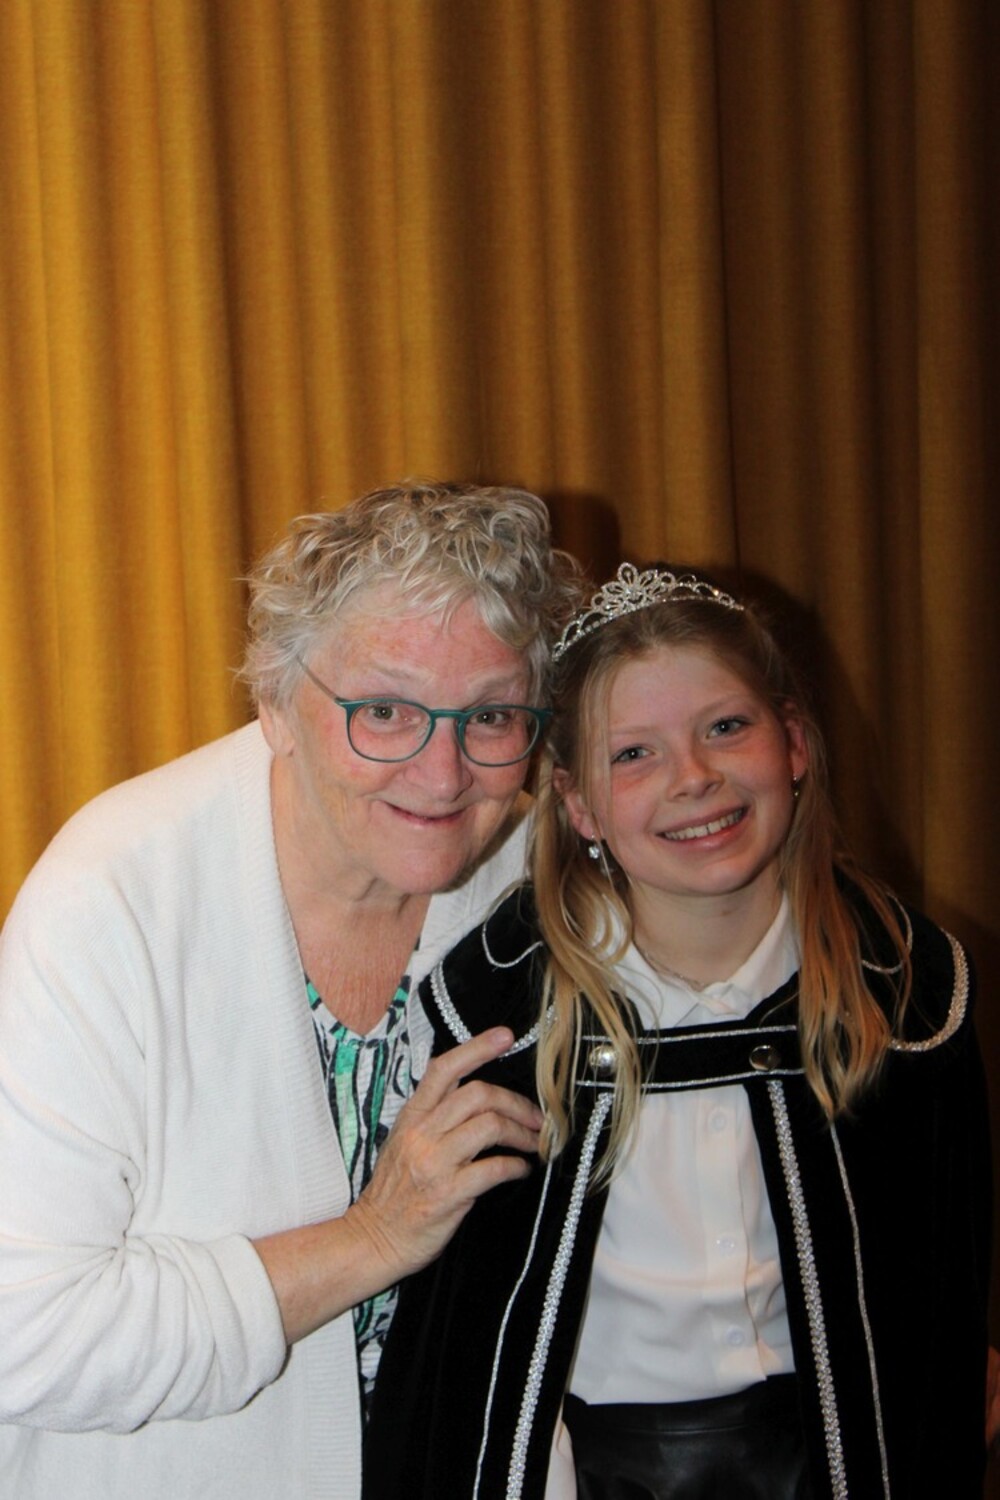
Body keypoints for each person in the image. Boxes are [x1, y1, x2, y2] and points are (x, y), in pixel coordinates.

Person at [0, 482, 583, 1498]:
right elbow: (27, 1334)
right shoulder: (114, 900)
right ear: (274, 703)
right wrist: (371, 1240)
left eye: (491, 715)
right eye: (384, 711)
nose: (442, 775)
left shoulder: (533, 877)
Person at [366, 562, 992, 1499]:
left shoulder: (904, 997)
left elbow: (934, 1303)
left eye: (726, 728)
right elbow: (468, 1350)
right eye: (634, 754)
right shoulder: (503, 1020)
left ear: (794, 744)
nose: (694, 778)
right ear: (578, 804)